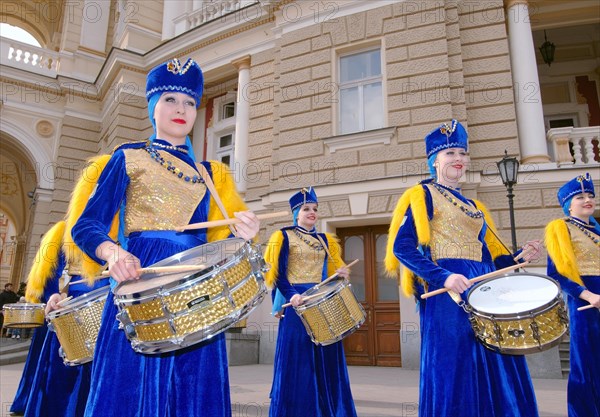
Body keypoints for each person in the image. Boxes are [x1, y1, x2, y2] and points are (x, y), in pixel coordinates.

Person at [68, 57, 259, 417]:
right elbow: (85, 225)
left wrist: (244, 234)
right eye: (170, 99)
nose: (181, 109)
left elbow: (215, 241)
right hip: (140, 280)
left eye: (189, 102)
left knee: (194, 385)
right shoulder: (128, 157)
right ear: (152, 107)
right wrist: (113, 253)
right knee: (130, 386)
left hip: (196, 290)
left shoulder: (208, 174)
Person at [384, 119, 541, 417]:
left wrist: (520, 256)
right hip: (449, 294)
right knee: (455, 364)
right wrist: (444, 277)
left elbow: (490, 258)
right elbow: (401, 248)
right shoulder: (423, 195)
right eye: (450, 154)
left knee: (497, 356)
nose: (459, 159)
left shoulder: (475, 206)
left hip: (484, 289)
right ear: (434, 161)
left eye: (462, 153)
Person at [265, 186, 357, 417]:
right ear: (296, 212)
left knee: (326, 356)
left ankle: (330, 409)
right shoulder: (283, 236)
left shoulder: (326, 239)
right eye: (306, 209)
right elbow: (278, 274)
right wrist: (291, 295)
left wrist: (341, 272)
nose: (312, 212)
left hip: (322, 302)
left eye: (314, 209)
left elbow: (331, 273)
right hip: (297, 302)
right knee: (299, 359)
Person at [545, 173, 599, 417]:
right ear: (568, 204)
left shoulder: (597, 230)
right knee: (588, 363)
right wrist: (588, 296)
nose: (587, 199)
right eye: (580, 197)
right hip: (586, 303)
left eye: (590, 195)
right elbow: (556, 273)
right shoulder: (561, 228)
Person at [9, 222, 63, 416]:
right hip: (58, 311)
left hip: (53, 309)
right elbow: (50, 279)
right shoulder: (62, 236)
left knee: (42, 361)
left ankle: (30, 399)